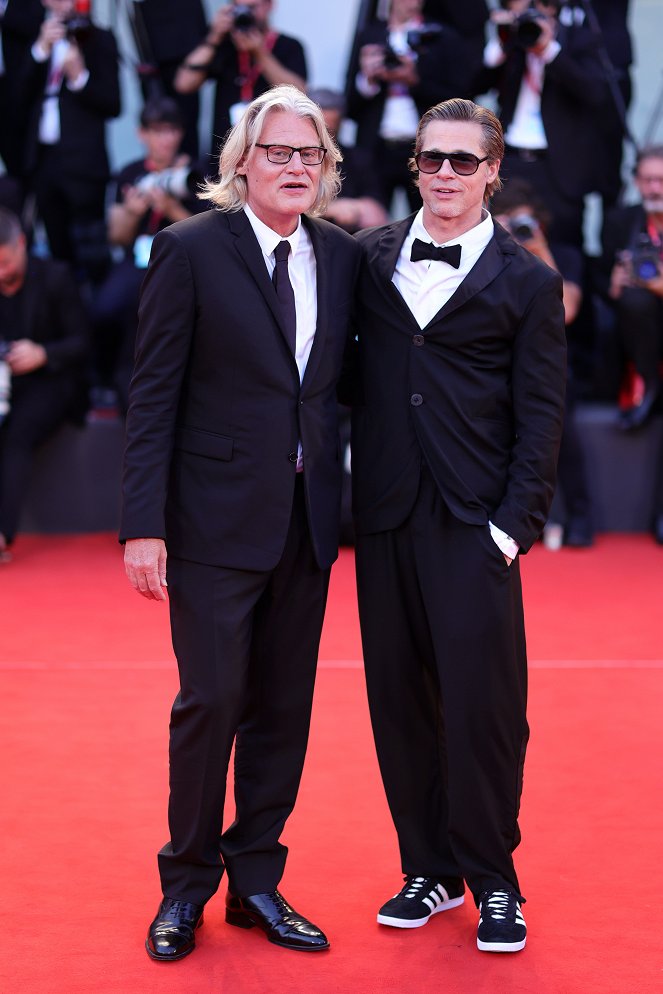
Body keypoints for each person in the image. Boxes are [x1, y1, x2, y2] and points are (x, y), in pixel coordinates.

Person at [120, 84, 361, 962]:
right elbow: (151, 395)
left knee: (281, 710)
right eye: (277, 152)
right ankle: (184, 885)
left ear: (326, 169)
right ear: (241, 163)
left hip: (306, 521)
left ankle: (255, 878)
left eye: (310, 155)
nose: (294, 167)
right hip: (212, 521)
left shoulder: (339, 257)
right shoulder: (186, 249)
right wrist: (142, 524)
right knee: (211, 703)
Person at [349, 98, 566, 952]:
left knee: (484, 709)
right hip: (386, 516)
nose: (445, 174)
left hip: (475, 524)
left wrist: (511, 529)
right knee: (398, 703)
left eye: (462, 162)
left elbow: (540, 417)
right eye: (431, 160)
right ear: (414, 168)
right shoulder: (366, 261)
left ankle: (493, 879)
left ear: (492, 171)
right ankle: (427, 868)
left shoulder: (528, 281)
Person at [492, 177, 594, 547]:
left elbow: (566, 309)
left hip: (547, 364)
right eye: (505, 222)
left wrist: (537, 248)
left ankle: (581, 518)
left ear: (540, 221)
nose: (516, 231)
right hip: (496, 360)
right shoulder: (488, 255)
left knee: (559, 428)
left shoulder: (562, 255)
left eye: (523, 222)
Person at [90, 96, 206, 413]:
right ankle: (106, 381)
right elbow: (117, 236)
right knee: (106, 309)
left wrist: (171, 209)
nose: (166, 139)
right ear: (142, 134)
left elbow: (208, 239)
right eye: (157, 131)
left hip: (180, 264)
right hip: (137, 259)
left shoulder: (194, 174)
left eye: (171, 130)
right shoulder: (129, 173)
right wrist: (131, 212)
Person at [476, 0, 608, 249]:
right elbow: (473, 86)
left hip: (558, 164)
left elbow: (596, 93)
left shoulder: (580, 38)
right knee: (503, 242)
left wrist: (548, 50)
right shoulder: (514, 42)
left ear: (555, 14)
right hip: (512, 157)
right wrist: (502, 42)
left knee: (561, 242)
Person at [0, 206, 89, 562]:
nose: (1, 272)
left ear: (22, 243)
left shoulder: (55, 277)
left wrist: (42, 354)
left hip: (53, 381)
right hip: (6, 383)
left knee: (18, 432)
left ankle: (3, 534)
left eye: (5, 263)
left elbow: (83, 342)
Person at [18, 0, 120, 280]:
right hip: (44, 159)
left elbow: (113, 103)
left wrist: (79, 78)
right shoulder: (37, 38)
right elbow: (17, 98)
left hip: (83, 162)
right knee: (57, 249)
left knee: (93, 251)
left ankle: (99, 315)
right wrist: (40, 50)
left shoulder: (98, 38)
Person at [346, 0, 470, 214]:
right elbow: (349, 104)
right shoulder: (371, 35)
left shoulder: (439, 37)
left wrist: (414, 81)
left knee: (428, 217)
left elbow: (459, 99)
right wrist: (368, 79)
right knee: (371, 219)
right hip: (377, 147)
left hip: (424, 149)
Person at [174, 0, 307, 164]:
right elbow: (183, 84)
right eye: (239, 8)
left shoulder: (289, 46)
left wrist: (260, 53)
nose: (246, 13)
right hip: (225, 149)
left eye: (252, 7)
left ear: (269, 5)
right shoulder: (222, 44)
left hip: (272, 147)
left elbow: (299, 93)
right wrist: (214, 37)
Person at [601, 145, 663, 432]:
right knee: (634, 299)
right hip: (638, 321)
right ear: (636, 181)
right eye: (647, 180)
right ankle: (648, 386)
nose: (654, 189)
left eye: (661, 180)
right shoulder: (621, 220)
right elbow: (602, 280)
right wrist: (614, 285)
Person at [307, 87, 388, 234]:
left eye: (330, 132)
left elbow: (377, 216)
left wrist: (353, 208)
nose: (324, 140)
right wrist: (329, 209)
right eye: (318, 131)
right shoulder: (291, 160)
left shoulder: (359, 159)